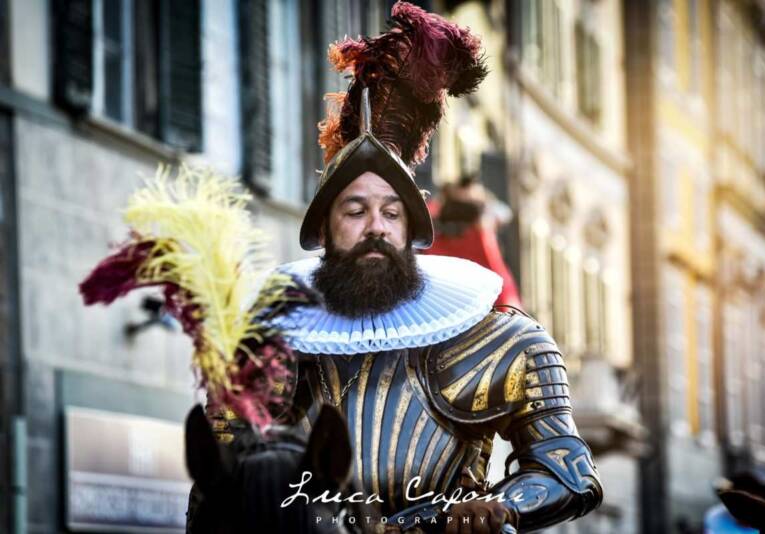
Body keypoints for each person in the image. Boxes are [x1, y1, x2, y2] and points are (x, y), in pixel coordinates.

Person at [192, 3, 602, 533]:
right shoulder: (265, 347)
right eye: (354, 211)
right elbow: (217, 496)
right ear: (325, 231)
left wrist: (501, 506)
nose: (376, 228)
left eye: (391, 213)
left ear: (411, 230)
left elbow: (567, 470)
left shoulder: (504, 339)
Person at [425, 175, 524, 310]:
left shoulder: (481, 230)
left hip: (471, 301)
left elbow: (504, 214)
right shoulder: (436, 225)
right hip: (456, 299)